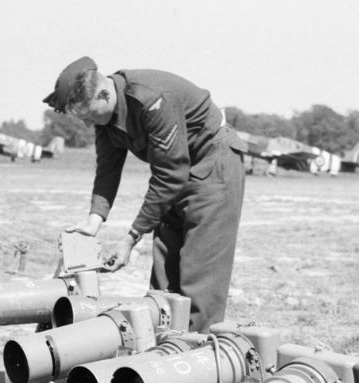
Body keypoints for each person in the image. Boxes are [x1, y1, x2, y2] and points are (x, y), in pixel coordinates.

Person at [43, 57, 247, 332]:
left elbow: (170, 175)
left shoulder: (152, 99)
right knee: (164, 274)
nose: (90, 123)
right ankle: (163, 351)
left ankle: (199, 358)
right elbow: (107, 170)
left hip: (212, 164)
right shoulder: (106, 118)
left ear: (104, 93)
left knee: (199, 278)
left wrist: (131, 237)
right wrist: (94, 222)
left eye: (90, 115)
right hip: (177, 171)